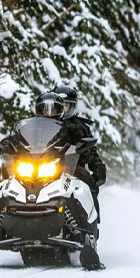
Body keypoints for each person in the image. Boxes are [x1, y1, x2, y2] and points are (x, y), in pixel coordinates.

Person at [54, 84, 107, 219]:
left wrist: (97, 166)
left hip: (71, 168)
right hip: (42, 165)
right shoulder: (43, 123)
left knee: (87, 181)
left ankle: (90, 225)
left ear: (72, 107)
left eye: (67, 106)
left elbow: (90, 150)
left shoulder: (80, 127)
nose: (64, 109)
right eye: (61, 105)